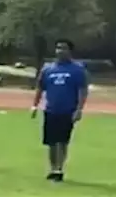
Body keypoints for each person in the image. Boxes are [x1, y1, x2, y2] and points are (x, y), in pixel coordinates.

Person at [32, 38, 89, 182]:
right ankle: (52, 168)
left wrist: (79, 109)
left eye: (63, 48)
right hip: (51, 110)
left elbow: (82, 90)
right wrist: (35, 105)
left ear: (70, 51)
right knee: (51, 142)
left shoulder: (77, 70)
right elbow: (40, 87)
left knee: (62, 141)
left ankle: (59, 169)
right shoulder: (48, 69)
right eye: (58, 48)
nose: (60, 51)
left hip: (67, 111)